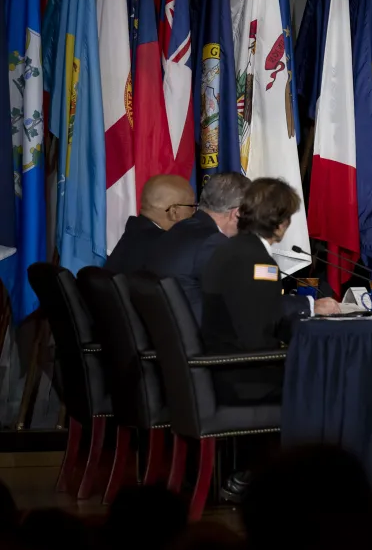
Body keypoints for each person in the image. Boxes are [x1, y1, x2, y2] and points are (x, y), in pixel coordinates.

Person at [200, 178, 340, 406]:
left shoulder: (228, 248)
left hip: (222, 370)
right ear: (281, 223)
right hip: (246, 379)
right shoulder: (257, 261)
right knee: (337, 379)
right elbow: (258, 332)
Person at [146, 173, 252, 319]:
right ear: (237, 214)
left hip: (167, 336)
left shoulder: (179, 229)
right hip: (202, 337)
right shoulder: (213, 243)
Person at [105, 174, 195, 274]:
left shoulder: (132, 236)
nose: (194, 212)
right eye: (191, 206)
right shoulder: (168, 249)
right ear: (174, 212)